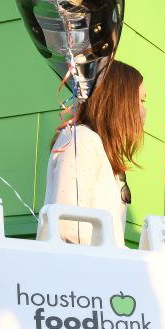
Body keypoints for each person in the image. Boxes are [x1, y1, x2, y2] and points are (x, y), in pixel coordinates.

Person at [40, 61, 146, 244]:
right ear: (120, 100)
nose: (143, 110)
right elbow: (70, 228)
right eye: (141, 100)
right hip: (80, 269)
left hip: (94, 268)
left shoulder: (100, 149)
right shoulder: (82, 139)